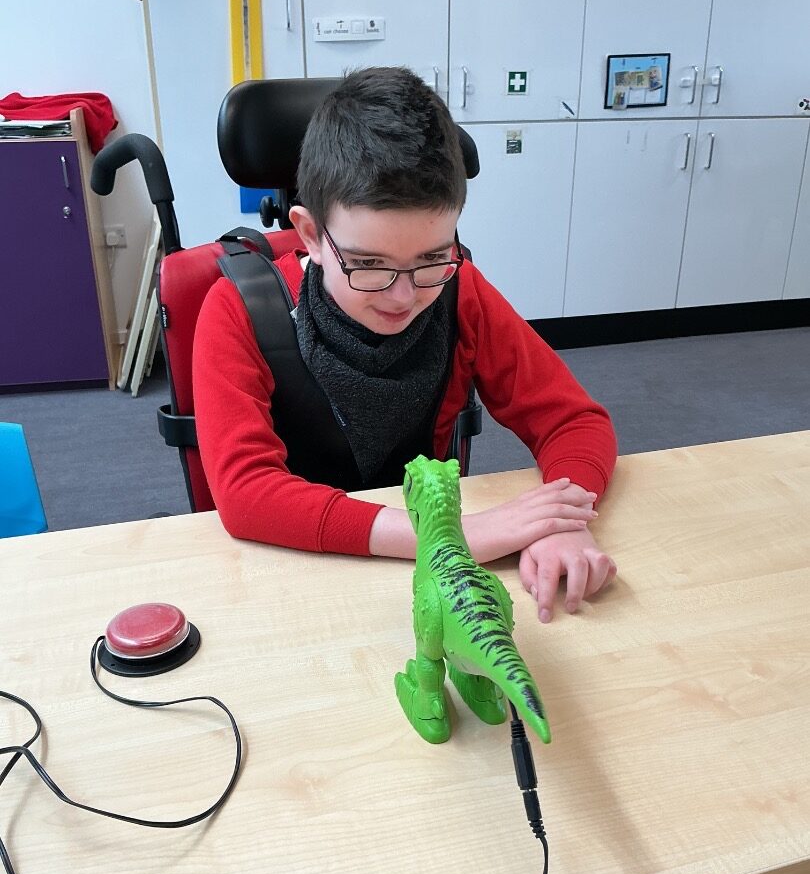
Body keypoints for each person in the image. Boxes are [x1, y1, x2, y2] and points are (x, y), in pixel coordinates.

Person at [193, 67, 618, 622]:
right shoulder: (238, 310)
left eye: (432, 258)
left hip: (431, 584)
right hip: (289, 580)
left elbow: (574, 421)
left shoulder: (461, 290)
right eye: (369, 263)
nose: (403, 295)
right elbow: (247, 492)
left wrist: (563, 522)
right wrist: (453, 536)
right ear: (311, 234)